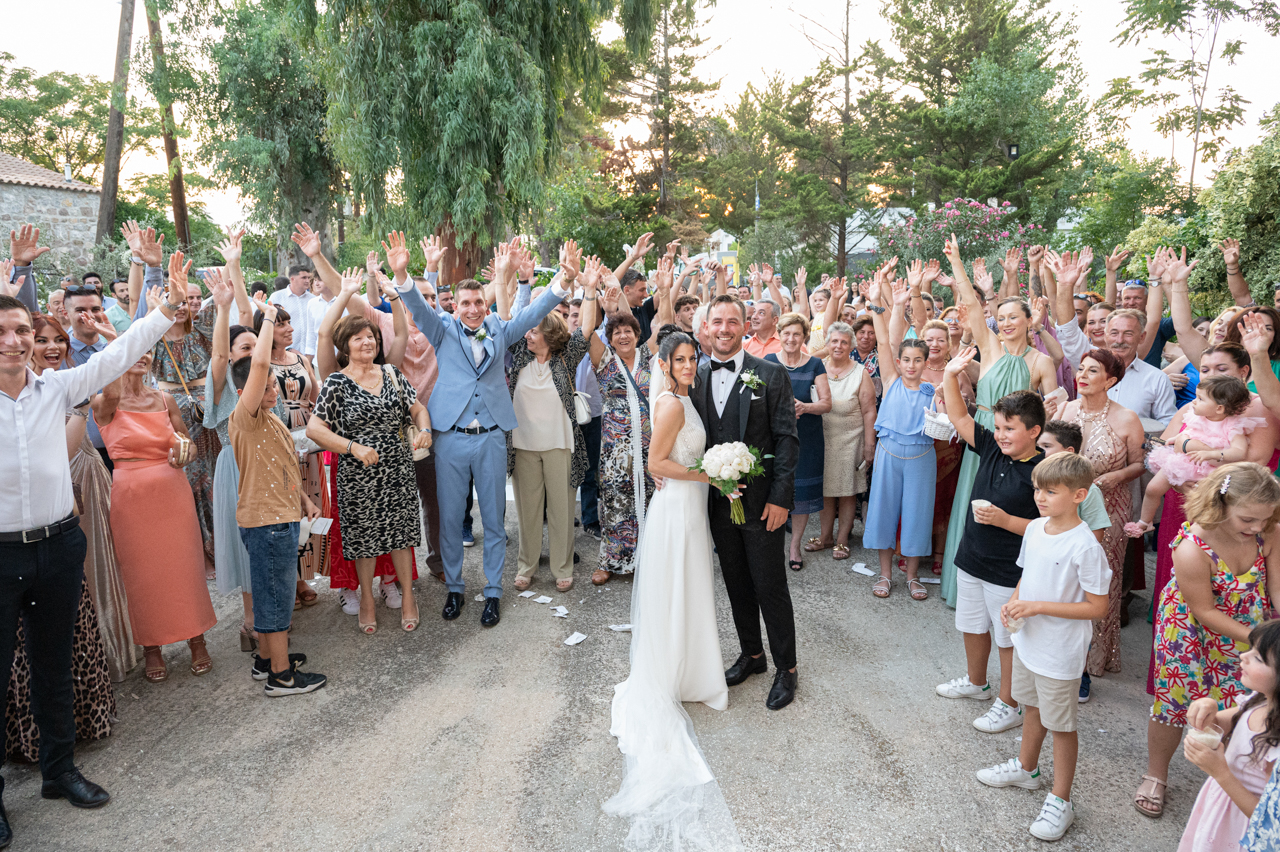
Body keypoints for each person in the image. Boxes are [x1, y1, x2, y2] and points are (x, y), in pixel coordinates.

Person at [0, 229, 190, 841]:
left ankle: (60, 772)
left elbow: (118, 353)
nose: (15, 341)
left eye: (22, 331)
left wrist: (165, 307)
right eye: (3, 332)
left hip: (59, 545)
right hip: (2, 555)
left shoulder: (58, 387)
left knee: (54, 666)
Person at [604, 330, 743, 849]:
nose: (687, 365)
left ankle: (689, 671)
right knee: (677, 592)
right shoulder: (668, 405)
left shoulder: (687, 397)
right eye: (679, 359)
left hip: (690, 510)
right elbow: (655, 464)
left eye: (692, 358)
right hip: (677, 510)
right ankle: (672, 674)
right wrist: (711, 475)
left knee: (690, 591)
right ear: (664, 363)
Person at [392, 234, 568, 625]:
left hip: (490, 438)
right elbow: (418, 307)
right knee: (451, 519)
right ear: (455, 306)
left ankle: (492, 592)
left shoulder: (499, 330)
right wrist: (408, 273)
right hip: (450, 439)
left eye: (478, 303)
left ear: (485, 305)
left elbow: (533, 311)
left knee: (493, 520)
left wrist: (563, 282)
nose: (473, 309)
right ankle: (455, 588)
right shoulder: (442, 330)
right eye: (466, 303)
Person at [974, 451, 1110, 841]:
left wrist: (1036, 607)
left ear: (1079, 495)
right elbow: (1027, 575)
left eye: (1051, 491)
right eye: (1037, 489)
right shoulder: (1035, 529)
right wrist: (1014, 601)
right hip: (1029, 641)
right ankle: (1026, 768)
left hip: (1060, 651)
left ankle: (1061, 799)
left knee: (1061, 726)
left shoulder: (1085, 546)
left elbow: (1098, 607)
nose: (1039, 497)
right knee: (1031, 706)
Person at [1136, 463, 1280, 819]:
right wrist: (1263, 640)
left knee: (1241, 701)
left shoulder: (1270, 533)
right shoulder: (1192, 547)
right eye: (1248, 519)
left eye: (1264, 518)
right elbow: (1204, 611)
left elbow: (1276, 588)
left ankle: (1228, 779)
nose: (1257, 527)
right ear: (1221, 503)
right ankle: (1156, 774)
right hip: (1189, 630)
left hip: (1250, 626)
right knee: (1174, 702)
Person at [690, 294, 800, 710]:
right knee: (735, 583)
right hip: (717, 504)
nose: (724, 329)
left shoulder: (769, 373)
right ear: (706, 328)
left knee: (770, 586)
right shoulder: (695, 375)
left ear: (745, 326)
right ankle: (752, 655)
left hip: (762, 504)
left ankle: (787, 668)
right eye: (717, 321)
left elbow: (786, 439)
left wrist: (781, 499)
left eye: (732, 321)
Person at [939, 234, 1057, 609]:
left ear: (1029, 320)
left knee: (1008, 511)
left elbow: (1052, 410)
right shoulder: (990, 349)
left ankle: (1006, 586)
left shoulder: (1041, 362)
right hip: (983, 436)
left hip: (1019, 445)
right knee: (971, 503)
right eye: (1001, 318)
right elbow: (973, 308)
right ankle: (962, 585)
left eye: (1012, 317)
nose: (1005, 323)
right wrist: (956, 263)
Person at [938, 349, 1046, 737]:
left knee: (1008, 639)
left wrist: (1005, 521)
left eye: (1009, 428)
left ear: (1034, 431)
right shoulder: (990, 447)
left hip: (1008, 569)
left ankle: (1009, 703)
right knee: (971, 624)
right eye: (998, 427)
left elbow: (1049, 528)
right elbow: (959, 417)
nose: (999, 434)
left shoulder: (1043, 471)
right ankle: (976, 682)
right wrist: (950, 376)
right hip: (972, 556)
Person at [306, 303, 431, 634]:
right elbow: (315, 429)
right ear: (345, 345)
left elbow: (418, 409)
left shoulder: (391, 374)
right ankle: (366, 599)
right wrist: (353, 447)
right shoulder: (336, 382)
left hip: (398, 469)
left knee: (401, 535)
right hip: (357, 474)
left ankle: (408, 598)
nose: (368, 342)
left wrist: (425, 430)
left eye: (372, 336)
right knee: (364, 540)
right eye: (359, 338)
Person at [96, 345, 217, 683]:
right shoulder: (103, 402)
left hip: (173, 492)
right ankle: (151, 647)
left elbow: (188, 445)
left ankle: (196, 639)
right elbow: (111, 394)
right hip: (131, 496)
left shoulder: (165, 399)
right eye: (132, 350)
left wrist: (186, 453)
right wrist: (116, 346)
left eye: (146, 350)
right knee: (141, 572)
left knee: (184, 565)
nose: (142, 355)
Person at [228, 298, 327, 694]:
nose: (273, 390)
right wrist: (267, 318)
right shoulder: (246, 417)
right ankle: (281, 677)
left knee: (276, 592)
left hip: (281, 516)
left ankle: (267, 659)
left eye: (273, 385)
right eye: (266, 386)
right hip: (266, 521)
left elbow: (284, 466)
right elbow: (258, 367)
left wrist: (304, 501)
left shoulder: (270, 419)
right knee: (275, 598)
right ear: (245, 393)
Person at [123, 222, 222, 573]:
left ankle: (220, 547)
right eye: (176, 298)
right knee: (187, 476)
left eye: (189, 298)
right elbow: (138, 310)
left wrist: (232, 268)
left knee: (214, 476)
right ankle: (194, 551)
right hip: (174, 412)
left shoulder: (204, 329)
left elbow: (230, 308)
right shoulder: (155, 334)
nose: (183, 304)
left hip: (208, 411)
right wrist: (146, 265)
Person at [1055, 349, 1146, 684]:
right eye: (1081, 369)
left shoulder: (1127, 418)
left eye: (1092, 371)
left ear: (1110, 380)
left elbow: (1140, 464)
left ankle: (1091, 662)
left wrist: (1116, 476)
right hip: (1067, 507)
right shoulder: (1066, 409)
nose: (1082, 375)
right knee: (1065, 578)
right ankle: (1061, 654)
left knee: (1099, 580)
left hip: (1109, 509)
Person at [579, 260, 659, 585]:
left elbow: (659, 322)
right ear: (610, 338)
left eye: (628, 331)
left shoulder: (649, 358)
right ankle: (610, 561)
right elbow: (587, 333)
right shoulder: (604, 361)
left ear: (637, 335)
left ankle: (649, 560)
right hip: (615, 449)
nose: (623, 335)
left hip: (650, 446)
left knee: (651, 502)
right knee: (613, 502)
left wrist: (618, 289)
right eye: (617, 332)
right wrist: (594, 294)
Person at [507, 303, 590, 593]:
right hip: (523, 445)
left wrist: (590, 291)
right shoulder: (520, 354)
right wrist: (507, 281)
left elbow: (586, 329)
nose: (527, 335)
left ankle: (562, 569)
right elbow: (506, 316)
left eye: (534, 331)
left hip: (559, 444)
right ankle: (526, 567)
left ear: (550, 335)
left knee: (561, 510)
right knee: (527, 511)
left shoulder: (566, 357)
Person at [1179, 620, 1280, 851]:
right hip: (1219, 806)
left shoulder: (1275, 744)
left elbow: (1269, 820)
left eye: (1258, 658)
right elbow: (1218, 723)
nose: (1244, 656)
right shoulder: (1259, 702)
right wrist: (1207, 707)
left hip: (1242, 829)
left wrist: (1220, 772)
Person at [862, 280, 935, 600]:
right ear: (899, 361)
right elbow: (882, 341)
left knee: (918, 514)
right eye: (906, 359)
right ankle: (885, 574)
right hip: (889, 453)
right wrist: (877, 304)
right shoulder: (891, 380)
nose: (911, 365)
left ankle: (913, 576)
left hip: (922, 456)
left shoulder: (934, 390)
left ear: (925, 362)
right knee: (884, 511)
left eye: (918, 360)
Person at [1129, 376, 1263, 535]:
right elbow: (1189, 432)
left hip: (1209, 470)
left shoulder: (1233, 426)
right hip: (1182, 462)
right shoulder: (1196, 416)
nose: (1193, 401)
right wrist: (1175, 439)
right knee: (1152, 488)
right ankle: (1145, 521)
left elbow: (1239, 451)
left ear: (1219, 408)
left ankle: (1203, 536)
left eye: (1200, 399)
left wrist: (1213, 454)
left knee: (1203, 507)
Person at [806, 321, 876, 560]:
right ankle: (825, 537)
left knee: (847, 492)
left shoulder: (860, 373)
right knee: (825, 490)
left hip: (851, 440)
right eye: (834, 341)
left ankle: (843, 540)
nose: (838, 346)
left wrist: (869, 445)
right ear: (827, 344)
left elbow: (870, 411)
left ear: (851, 346)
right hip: (822, 440)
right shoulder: (817, 368)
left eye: (844, 342)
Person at [766, 313, 829, 570]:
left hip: (808, 439)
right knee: (772, 490)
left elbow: (826, 403)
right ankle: (772, 547)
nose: (791, 338)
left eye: (797, 334)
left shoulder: (815, 364)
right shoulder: (768, 362)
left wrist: (805, 406)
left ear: (804, 337)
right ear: (779, 335)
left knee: (801, 496)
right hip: (774, 439)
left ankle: (794, 547)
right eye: (786, 333)